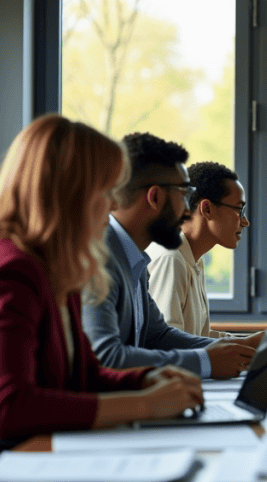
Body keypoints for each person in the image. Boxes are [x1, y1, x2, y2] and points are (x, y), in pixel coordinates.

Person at [0, 115, 204, 465]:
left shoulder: (57, 270)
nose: (115, 206)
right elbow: (9, 409)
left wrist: (147, 379)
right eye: (105, 193)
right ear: (70, 196)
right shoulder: (11, 270)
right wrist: (146, 404)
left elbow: (85, 375)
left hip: (30, 459)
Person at [82, 132, 255, 379]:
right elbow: (107, 357)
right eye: (184, 196)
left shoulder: (133, 257)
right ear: (155, 197)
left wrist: (232, 349)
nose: (188, 210)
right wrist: (205, 361)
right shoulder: (101, 258)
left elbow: (157, 335)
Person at [146, 161, 248, 338]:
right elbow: (169, 344)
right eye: (239, 209)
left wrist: (256, 342)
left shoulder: (194, 260)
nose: (245, 222)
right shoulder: (171, 258)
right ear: (207, 209)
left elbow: (198, 337)